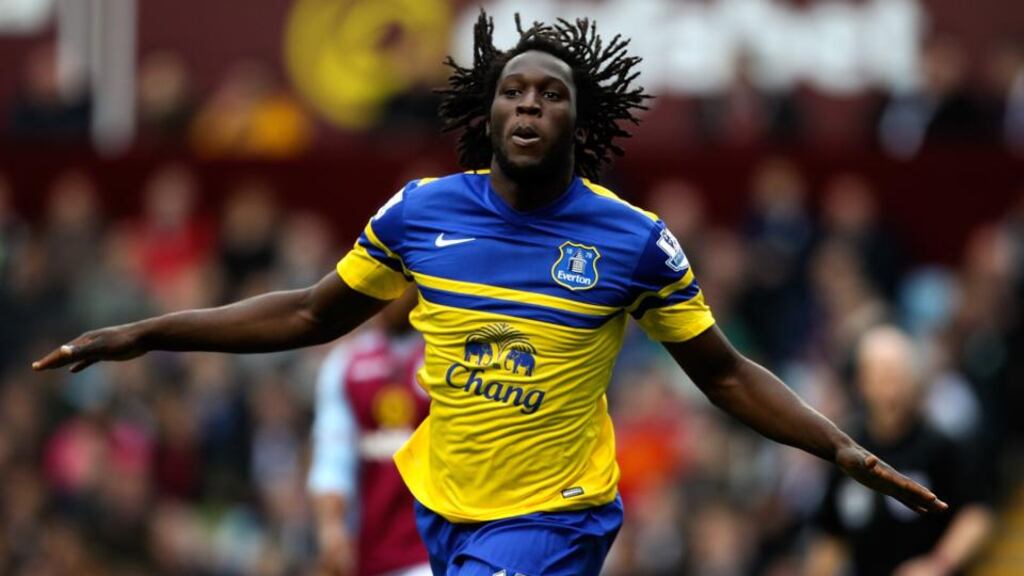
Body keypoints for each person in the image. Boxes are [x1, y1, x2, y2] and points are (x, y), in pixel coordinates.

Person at [34, 12, 947, 576]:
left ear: (578, 122)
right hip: (444, 504)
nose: (528, 106)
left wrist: (839, 448)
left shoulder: (634, 239)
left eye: (550, 96)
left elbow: (726, 374)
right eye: (513, 91)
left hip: (555, 514)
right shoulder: (421, 216)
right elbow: (312, 313)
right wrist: (147, 332)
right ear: (488, 110)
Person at [806, 326, 993, 576]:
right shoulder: (845, 450)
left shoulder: (940, 445)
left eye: (897, 373)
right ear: (862, 381)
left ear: (913, 379)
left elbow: (976, 515)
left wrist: (938, 564)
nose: (890, 386)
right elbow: (829, 534)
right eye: (881, 374)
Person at [308, 289, 431, 576]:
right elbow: (332, 459)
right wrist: (331, 527)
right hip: (372, 555)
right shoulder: (346, 364)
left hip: (438, 551)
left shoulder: (451, 356)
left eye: (401, 284)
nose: (389, 295)